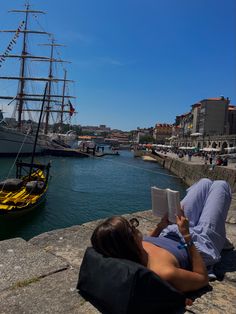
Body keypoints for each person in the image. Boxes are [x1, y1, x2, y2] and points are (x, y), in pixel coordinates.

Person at [91, 178, 232, 293]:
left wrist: (160, 226)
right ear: (127, 241)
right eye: (131, 227)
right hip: (200, 243)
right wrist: (186, 235)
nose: (134, 226)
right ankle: (219, 238)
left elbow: (151, 241)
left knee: (204, 183)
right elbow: (202, 279)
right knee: (221, 186)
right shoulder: (163, 271)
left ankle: (216, 232)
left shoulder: (133, 250)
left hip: (172, 231)